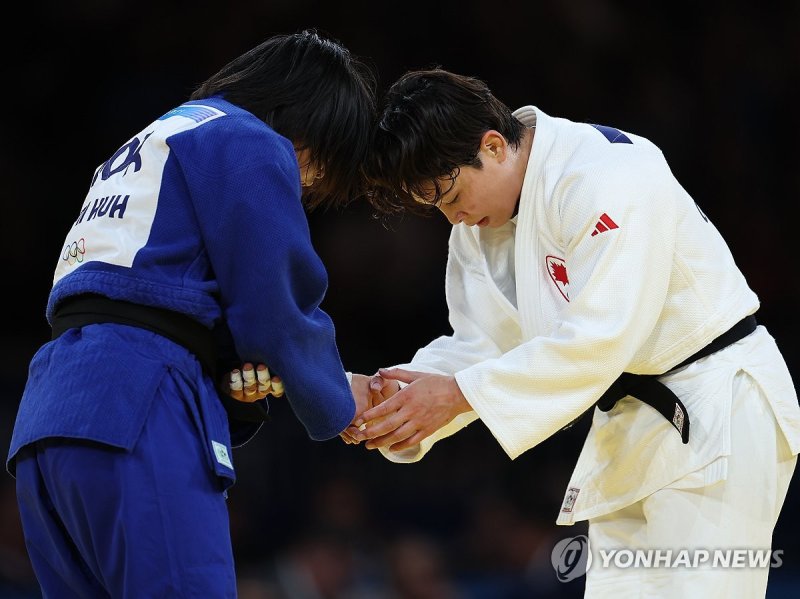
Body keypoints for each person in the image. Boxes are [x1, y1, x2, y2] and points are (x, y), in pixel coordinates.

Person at [347, 68, 800, 597]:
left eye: (450, 194)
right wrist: (401, 401)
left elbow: (603, 336)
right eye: (435, 207)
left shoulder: (605, 172)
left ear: (493, 146)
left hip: (718, 408)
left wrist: (457, 394)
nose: (452, 217)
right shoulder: (483, 222)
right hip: (631, 431)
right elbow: (481, 345)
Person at [7, 29, 378, 598]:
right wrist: (340, 398)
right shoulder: (246, 138)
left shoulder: (146, 145)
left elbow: (145, 292)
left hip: (48, 418)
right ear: (308, 120)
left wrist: (231, 382)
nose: (308, 184)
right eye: (320, 166)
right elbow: (274, 306)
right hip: (138, 401)